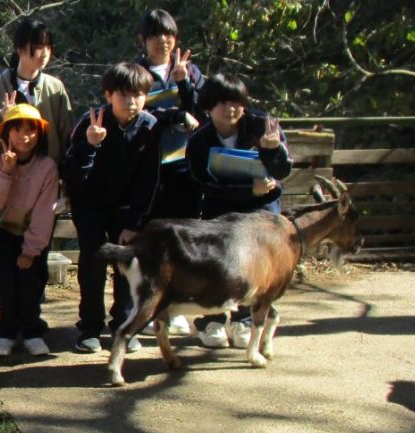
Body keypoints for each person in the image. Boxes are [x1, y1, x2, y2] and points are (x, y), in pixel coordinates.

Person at [186, 73, 292, 349]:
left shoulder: (262, 126)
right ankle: (213, 319)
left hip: (260, 211)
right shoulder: (199, 139)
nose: (230, 109)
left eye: (236, 102)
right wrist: (247, 190)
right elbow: (201, 182)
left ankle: (245, 319)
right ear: (208, 106)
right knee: (216, 264)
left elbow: (283, 172)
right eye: (221, 103)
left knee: (255, 266)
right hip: (220, 208)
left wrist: (272, 151)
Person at [61, 62, 161, 354]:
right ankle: (89, 327)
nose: (131, 101)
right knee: (92, 263)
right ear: (108, 95)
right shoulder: (91, 121)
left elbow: (149, 178)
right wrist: (90, 146)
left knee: (127, 264)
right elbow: (72, 172)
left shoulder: (150, 127)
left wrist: (135, 221)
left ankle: (123, 325)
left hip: (126, 208)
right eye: (124, 95)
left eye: (138, 95)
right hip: (90, 206)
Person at [135, 9, 206, 336]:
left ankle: (176, 308)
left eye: (168, 35)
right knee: (152, 242)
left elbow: (203, 115)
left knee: (182, 241)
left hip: (185, 168)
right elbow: (136, 114)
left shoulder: (189, 71)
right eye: (155, 35)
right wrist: (171, 113)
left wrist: (184, 84)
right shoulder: (136, 74)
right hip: (150, 170)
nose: (162, 41)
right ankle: (149, 308)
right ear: (143, 40)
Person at [0, 104, 60, 357]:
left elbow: (44, 212)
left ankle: (32, 330)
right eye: (17, 130)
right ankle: (6, 331)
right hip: (2, 228)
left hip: (32, 231)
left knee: (32, 280)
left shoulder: (47, 167)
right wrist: (5, 171)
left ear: (40, 134)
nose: (24, 136)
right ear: (6, 133)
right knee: (8, 280)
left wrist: (31, 249)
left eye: (31, 130)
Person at [0, 17, 74, 164]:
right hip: (9, 172)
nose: (45, 53)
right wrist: (1, 115)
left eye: (48, 47)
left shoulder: (55, 87)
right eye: (38, 47)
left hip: (49, 173)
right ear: (20, 50)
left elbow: (67, 134)